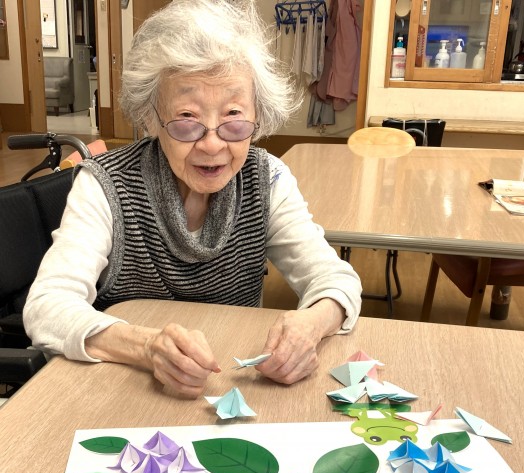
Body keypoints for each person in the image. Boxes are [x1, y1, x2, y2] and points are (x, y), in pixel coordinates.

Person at [23, 0, 361, 398]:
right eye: (187, 119)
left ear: (258, 115)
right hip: (126, 389)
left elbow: (336, 279)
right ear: (151, 117)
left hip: (232, 388)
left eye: (233, 116)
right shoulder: (105, 184)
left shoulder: (266, 180)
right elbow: (47, 306)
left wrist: (311, 325)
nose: (212, 144)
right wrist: (146, 347)